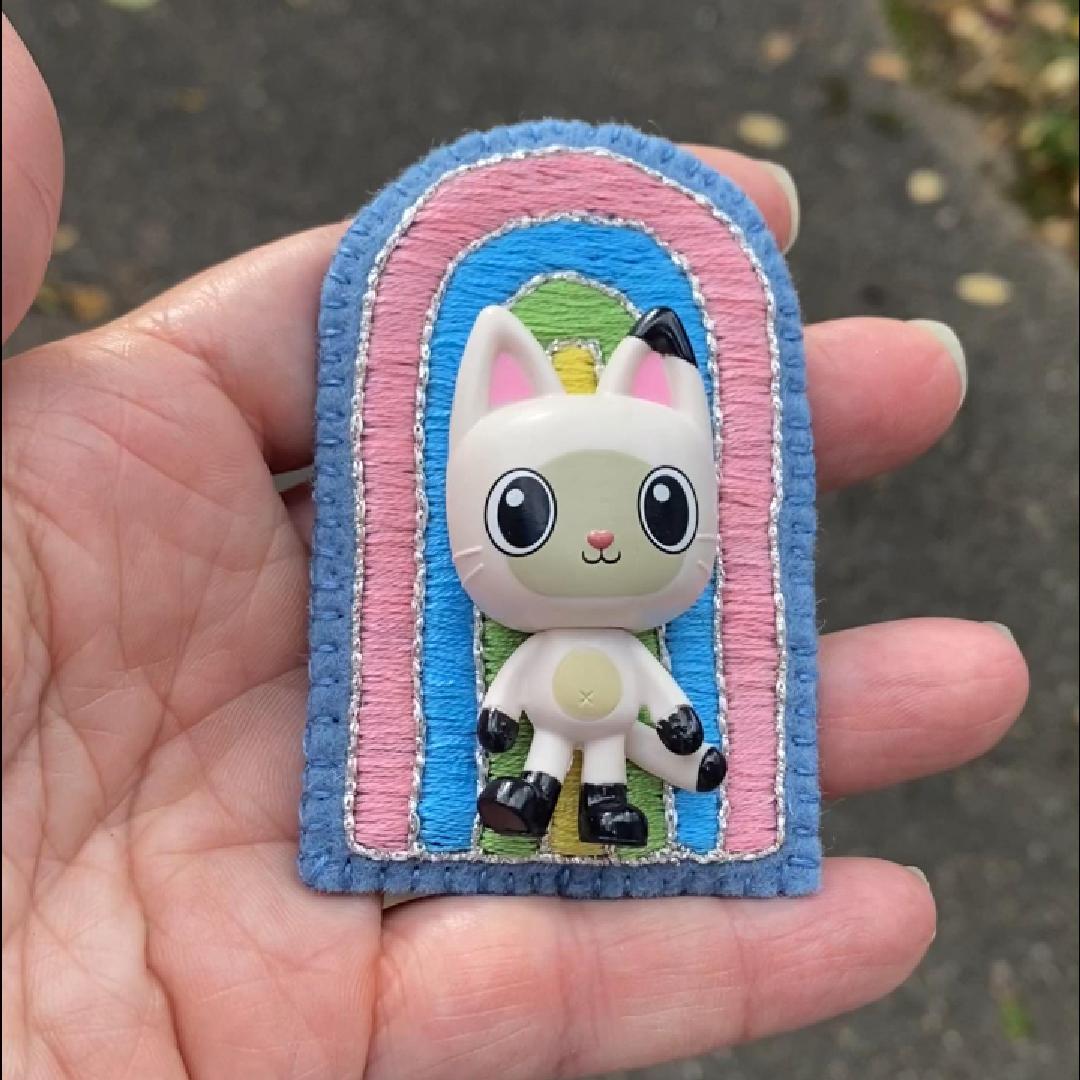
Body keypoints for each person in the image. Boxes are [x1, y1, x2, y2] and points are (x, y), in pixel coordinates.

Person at [1, 16, 1029, 1080]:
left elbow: (660, 701)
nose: (595, 537)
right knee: (543, 755)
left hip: (593, 719)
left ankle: (612, 806)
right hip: (537, 722)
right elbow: (525, 692)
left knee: (602, 768)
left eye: (655, 512)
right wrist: (494, 712)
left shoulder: (633, 612)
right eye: (530, 514)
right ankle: (536, 796)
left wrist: (688, 738)